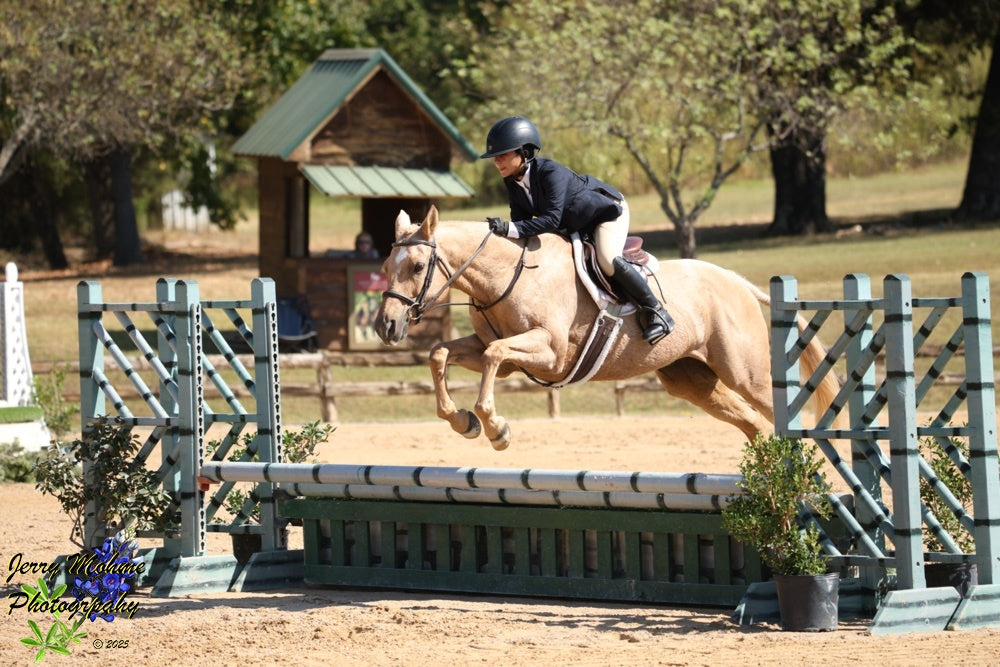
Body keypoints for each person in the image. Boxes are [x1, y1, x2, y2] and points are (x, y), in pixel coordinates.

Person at [480, 116, 674, 344]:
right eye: (494, 157)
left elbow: (550, 220)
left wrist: (509, 228)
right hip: (573, 222)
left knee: (607, 259)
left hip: (606, 213)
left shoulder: (549, 172)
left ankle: (658, 312)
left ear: (523, 152)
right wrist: (508, 233)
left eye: (502, 155)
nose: (497, 162)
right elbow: (522, 223)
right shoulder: (512, 180)